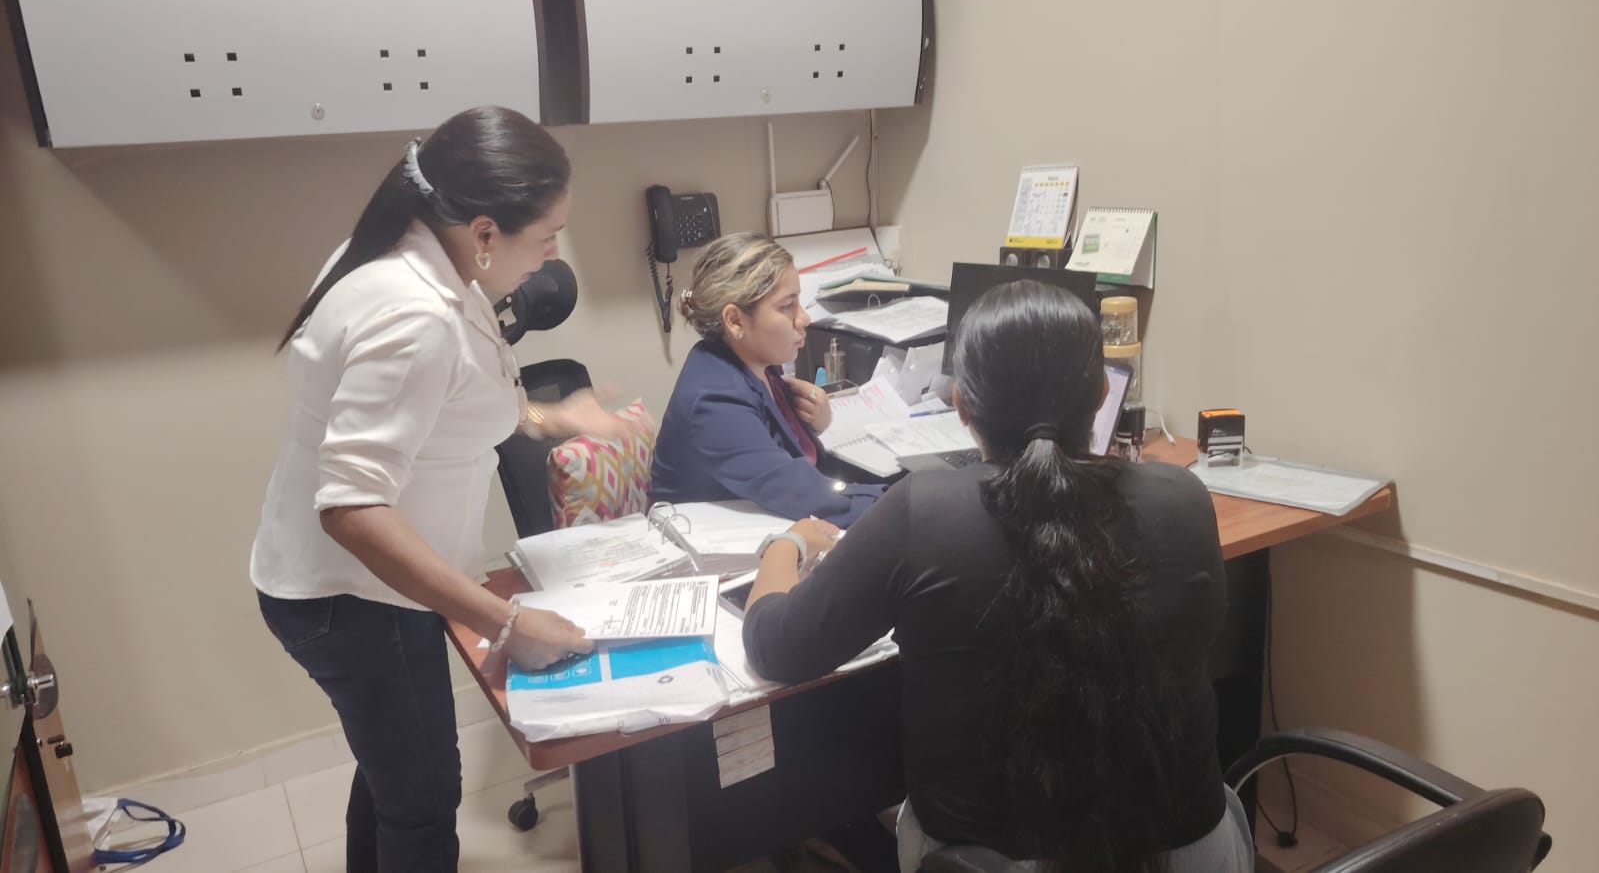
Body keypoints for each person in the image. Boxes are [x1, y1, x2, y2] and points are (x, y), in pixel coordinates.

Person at [740, 280, 1252, 873]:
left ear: (961, 404)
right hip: (1188, 854)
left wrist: (786, 545)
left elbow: (776, 647)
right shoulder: (1183, 497)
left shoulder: (921, 511)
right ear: (1099, 397)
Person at [251, 106, 643, 873]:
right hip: (355, 600)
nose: (554, 254)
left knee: (393, 774)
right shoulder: (413, 314)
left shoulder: (413, 257)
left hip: (361, 589)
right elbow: (351, 509)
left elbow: (450, 399)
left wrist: (551, 415)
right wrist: (506, 622)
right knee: (424, 803)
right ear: (485, 230)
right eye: (548, 236)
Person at [650, 232, 883, 525]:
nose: (804, 319)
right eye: (787, 306)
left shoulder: (760, 365)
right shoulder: (713, 401)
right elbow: (801, 492)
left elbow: (791, 458)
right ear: (735, 320)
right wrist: (903, 505)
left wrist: (815, 424)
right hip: (716, 545)